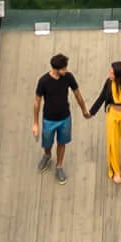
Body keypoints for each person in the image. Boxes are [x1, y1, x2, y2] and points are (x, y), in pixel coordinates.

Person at [33, 52, 88, 182]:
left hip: (65, 118)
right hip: (49, 119)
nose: (66, 70)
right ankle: (47, 155)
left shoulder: (68, 77)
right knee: (47, 142)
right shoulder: (43, 81)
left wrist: (84, 110)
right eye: (63, 68)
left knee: (62, 143)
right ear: (56, 69)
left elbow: (77, 94)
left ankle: (59, 166)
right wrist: (35, 123)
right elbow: (37, 102)